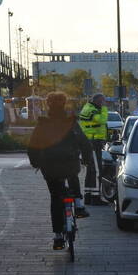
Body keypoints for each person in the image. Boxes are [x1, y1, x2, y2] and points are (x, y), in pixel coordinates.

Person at [28, 92, 93, 250]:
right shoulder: (70, 122)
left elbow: (32, 146)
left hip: (49, 166)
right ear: (64, 104)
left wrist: (36, 162)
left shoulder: (43, 123)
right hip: (70, 162)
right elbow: (84, 143)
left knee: (55, 197)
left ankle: (58, 237)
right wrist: (86, 159)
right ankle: (78, 204)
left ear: (48, 105)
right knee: (72, 174)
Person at [77, 93, 109, 205]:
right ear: (96, 101)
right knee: (96, 171)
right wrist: (104, 108)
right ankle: (95, 198)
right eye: (102, 101)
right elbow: (102, 120)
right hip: (93, 143)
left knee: (90, 171)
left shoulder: (89, 108)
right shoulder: (92, 110)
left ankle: (88, 196)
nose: (103, 103)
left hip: (90, 143)